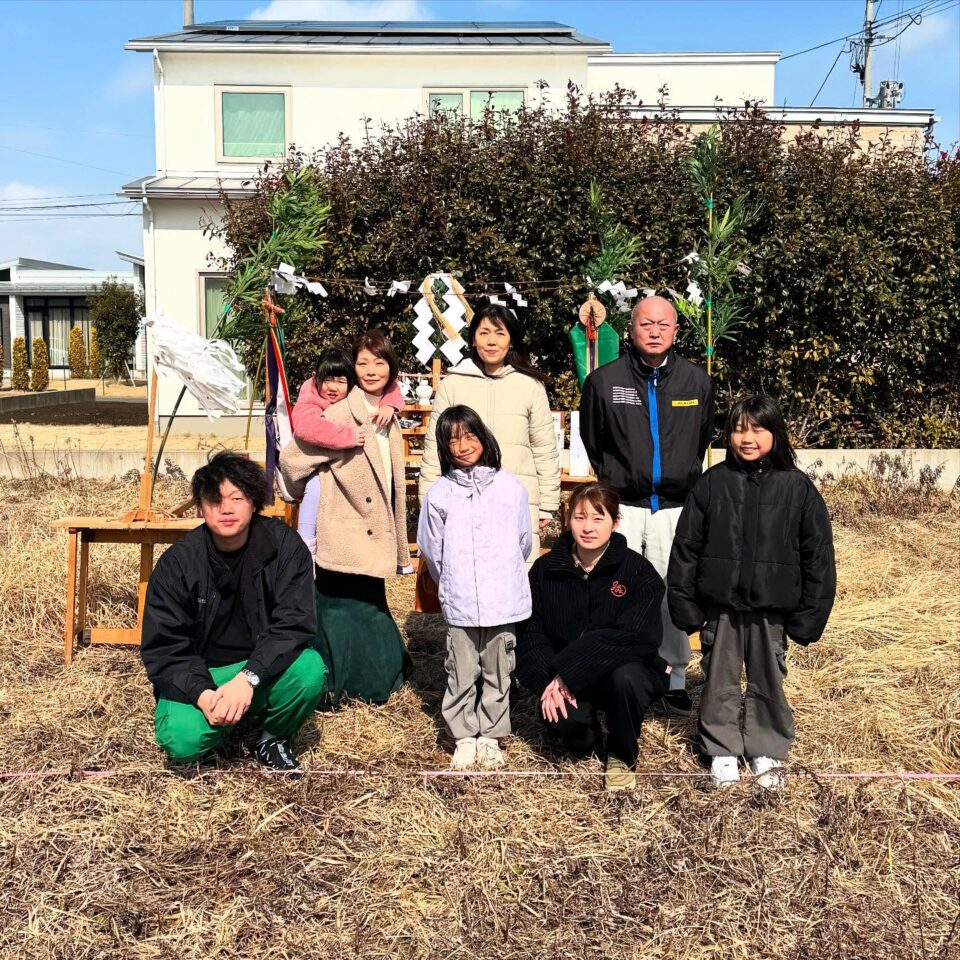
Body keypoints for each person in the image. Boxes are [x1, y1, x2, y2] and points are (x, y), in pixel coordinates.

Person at [667, 395, 836, 790]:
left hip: (772, 607)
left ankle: (766, 747)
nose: (747, 438)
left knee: (768, 677)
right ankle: (722, 747)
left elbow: (818, 555)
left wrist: (810, 614)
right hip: (721, 606)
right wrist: (685, 604)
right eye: (739, 429)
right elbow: (687, 547)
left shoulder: (797, 487)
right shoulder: (712, 483)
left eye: (758, 429)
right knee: (718, 679)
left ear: (776, 433)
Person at [141, 453, 326, 771]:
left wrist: (248, 679)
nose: (226, 509)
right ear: (200, 507)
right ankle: (225, 719)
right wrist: (203, 694)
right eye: (214, 500)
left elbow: (294, 623)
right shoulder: (179, 563)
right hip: (205, 673)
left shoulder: (284, 547)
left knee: (309, 669)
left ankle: (272, 737)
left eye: (237, 498)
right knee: (181, 743)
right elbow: (165, 647)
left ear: (254, 502)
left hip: (259, 668)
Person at [579, 295, 714, 716]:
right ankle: (613, 671)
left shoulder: (696, 382)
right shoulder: (603, 382)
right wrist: (617, 478)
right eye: (645, 324)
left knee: (671, 592)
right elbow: (593, 439)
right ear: (631, 329)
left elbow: (702, 438)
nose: (654, 332)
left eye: (663, 324)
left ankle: (674, 678)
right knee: (614, 591)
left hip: (674, 509)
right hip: (622, 507)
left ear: (676, 330)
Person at [281, 330, 412, 706]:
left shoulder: (388, 414)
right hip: (343, 532)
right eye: (363, 363)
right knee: (340, 610)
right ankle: (343, 682)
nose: (371, 370)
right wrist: (309, 487)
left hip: (372, 531)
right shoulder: (338, 414)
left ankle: (373, 679)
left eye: (380, 362)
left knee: (368, 605)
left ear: (391, 368)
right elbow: (292, 459)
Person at [516, 482, 672, 793]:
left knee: (627, 679)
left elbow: (637, 636)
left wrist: (569, 670)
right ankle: (587, 735)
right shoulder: (545, 571)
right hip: (561, 676)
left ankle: (621, 754)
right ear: (568, 520)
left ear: (615, 523)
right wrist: (549, 679)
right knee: (571, 732)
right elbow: (531, 633)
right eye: (579, 517)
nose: (588, 528)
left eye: (598, 518)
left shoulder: (637, 571)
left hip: (619, 672)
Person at [418, 405, 532, 770]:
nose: (463, 446)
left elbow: (523, 541)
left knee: (499, 670)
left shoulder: (510, 487)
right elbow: (432, 550)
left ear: (483, 437)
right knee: (461, 670)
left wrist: (503, 573)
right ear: (444, 447)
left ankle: (491, 736)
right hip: (461, 602)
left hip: (503, 600)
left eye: (469, 436)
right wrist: (454, 581)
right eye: (453, 440)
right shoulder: (440, 494)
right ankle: (465, 736)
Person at [419, 303, 560, 559]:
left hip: (517, 501)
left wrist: (548, 503)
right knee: (467, 572)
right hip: (462, 501)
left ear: (511, 340)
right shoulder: (453, 384)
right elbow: (434, 449)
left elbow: (544, 449)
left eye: (500, 333)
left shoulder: (530, 386)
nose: (491, 341)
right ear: (473, 340)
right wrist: (427, 499)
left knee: (516, 571)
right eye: (484, 333)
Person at [292, 349, 405, 555]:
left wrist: (390, 405)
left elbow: (391, 388)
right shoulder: (310, 395)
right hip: (315, 464)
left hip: (342, 466)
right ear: (316, 378)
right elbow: (307, 427)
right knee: (314, 487)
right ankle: (305, 542)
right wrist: (348, 437)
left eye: (340, 381)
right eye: (327, 380)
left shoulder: (355, 394)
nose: (333, 387)